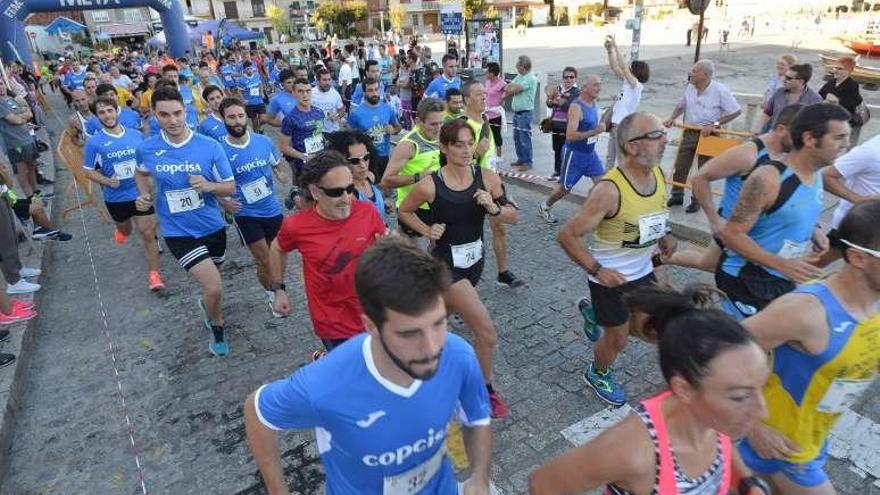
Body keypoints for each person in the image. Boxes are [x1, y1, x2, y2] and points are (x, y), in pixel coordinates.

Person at [245, 238, 493, 495]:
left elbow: (478, 418)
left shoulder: (458, 355)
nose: (432, 348)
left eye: (439, 323)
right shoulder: (325, 384)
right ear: (371, 326)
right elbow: (257, 412)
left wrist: (479, 477)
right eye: (409, 334)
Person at [530, 285, 772, 495]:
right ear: (684, 389)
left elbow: (720, 444)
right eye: (740, 397)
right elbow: (543, 484)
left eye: (761, 387)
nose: (762, 412)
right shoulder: (632, 450)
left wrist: (747, 484)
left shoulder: (712, 414)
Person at [737, 200, 880, 494]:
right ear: (857, 257)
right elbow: (714, 355)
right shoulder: (804, 311)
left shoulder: (874, 304)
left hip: (812, 439)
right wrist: (753, 427)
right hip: (778, 452)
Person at [398, 119, 519, 418]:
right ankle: (483, 389)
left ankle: (419, 364)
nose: (466, 151)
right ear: (444, 147)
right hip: (445, 267)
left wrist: (493, 208)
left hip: (474, 263)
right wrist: (427, 230)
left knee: (437, 323)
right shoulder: (430, 184)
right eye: (458, 145)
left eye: (469, 144)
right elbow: (404, 211)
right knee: (487, 332)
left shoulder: (487, 178)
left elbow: (513, 216)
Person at [557, 112, 677, 406]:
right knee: (619, 338)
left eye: (664, 133)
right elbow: (567, 236)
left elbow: (656, 212)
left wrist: (666, 234)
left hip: (643, 271)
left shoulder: (659, 175)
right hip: (610, 278)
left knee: (653, 328)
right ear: (632, 146)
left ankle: (595, 315)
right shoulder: (609, 191)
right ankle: (597, 372)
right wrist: (598, 270)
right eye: (656, 135)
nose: (665, 140)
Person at [717, 103, 852, 320]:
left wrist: (815, 230)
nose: (846, 144)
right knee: (747, 348)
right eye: (838, 138)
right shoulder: (768, 178)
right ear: (809, 139)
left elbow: (793, 208)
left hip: (781, 277)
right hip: (746, 279)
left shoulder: (816, 174)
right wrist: (781, 264)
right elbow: (731, 234)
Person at [134, 86, 236, 357]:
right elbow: (140, 173)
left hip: (212, 226)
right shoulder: (148, 148)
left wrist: (210, 186)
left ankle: (209, 307)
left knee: (214, 283)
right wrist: (144, 195)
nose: (173, 120)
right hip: (177, 231)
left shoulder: (209, 146)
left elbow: (230, 187)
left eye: (177, 113)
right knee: (213, 286)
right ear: (155, 116)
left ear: (186, 110)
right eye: (165, 115)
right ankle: (217, 324)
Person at [267, 150, 386, 356]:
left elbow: (383, 250)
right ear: (315, 192)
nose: (346, 198)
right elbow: (277, 248)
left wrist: (389, 249)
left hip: (374, 313)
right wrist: (278, 289)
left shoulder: (367, 212)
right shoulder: (297, 226)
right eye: (336, 192)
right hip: (334, 323)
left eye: (350, 189)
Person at [665, 104, 802, 273]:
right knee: (723, 268)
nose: (803, 142)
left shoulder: (790, 155)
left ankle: (663, 259)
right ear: (782, 129)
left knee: (709, 263)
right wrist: (714, 220)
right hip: (733, 230)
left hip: (760, 231)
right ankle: (664, 259)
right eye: (799, 135)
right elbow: (700, 178)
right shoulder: (747, 154)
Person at [82, 96, 164, 291]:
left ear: (116, 111)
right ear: (97, 116)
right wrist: (106, 181)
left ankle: (154, 275)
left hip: (140, 193)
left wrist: (151, 179)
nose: (107, 115)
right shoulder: (94, 142)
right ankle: (121, 231)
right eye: (102, 113)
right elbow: (87, 170)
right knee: (126, 230)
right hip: (116, 197)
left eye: (110, 111)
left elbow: (147, 161)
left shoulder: (136, 135)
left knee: (148, 233)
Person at [217, 97, 287, 316]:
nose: (237, 121)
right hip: (245, 212)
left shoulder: (263, 142)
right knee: (264, 258)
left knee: (277, 256)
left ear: (246, 116)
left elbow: (276, 164)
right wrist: (224, 203)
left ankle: (273, 286)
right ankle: (274, 293)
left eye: (240, 116)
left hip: (271, 208)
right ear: (223, 119)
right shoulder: (219, 150)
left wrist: (280, 173)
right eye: (231, 117)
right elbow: (213, 185)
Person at [461, 80, 525, 289]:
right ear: (466, 100)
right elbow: (453, 164)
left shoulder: (486, 120)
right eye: (478, 94)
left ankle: (503, 272)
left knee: (500, 226)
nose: (484, 97)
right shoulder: (461, 127)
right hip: (470, 186)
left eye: (484, 94)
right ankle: (463, 282)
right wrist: (476, 152)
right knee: (469, 235)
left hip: (491, 182)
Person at [664, 60, 742, 213]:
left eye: (694, 71)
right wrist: (672, 117)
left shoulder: (720, 90)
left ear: (705, 75)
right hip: (690, 131)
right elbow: (681, 105)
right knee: (680, 167)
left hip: (709, 135)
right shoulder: (690, 88)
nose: (691, 73)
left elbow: (736, 111)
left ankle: (697, 200)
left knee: (703, 171)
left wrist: (715, 123)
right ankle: (677, 195)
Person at [539, 75, 606, 224]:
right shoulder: (576, 107)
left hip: (590, 154)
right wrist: (595, 131)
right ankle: (545, 206)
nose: (599, 88)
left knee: (602, 184)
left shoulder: (594, 103)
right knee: (564, 189)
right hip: (574, 154)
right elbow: (570, 135)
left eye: (599, 85)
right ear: (585, 88)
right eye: (595, 85)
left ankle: (591, 212)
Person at [380, 97, 444, 237]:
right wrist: (418, 177)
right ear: (418, 121)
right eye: (433, 124)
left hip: (436, 205)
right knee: (412, 255)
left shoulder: (440, 138)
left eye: (441, 123)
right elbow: (386, 180)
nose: (438, 129)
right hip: (413, 209)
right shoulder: (408, 145)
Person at [819, 133, 880, 267]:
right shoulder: (871, 152)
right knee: (815, 264)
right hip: (856, 225)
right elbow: (826, 176)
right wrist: (860, 200)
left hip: (876, 226)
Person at [277, 78, 325, 210]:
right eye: (300, 91)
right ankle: (295, 195)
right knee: (307, 202)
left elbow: (319, 135)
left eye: (308, 91)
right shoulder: (290, 119)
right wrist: (303, 156)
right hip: (303, 165)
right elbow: (283, 147)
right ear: (294, 93)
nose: (305, 95)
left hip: (320, 160)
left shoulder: (319, 113)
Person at [604, 36, 650, 168]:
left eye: (631, 68)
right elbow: (614, 66)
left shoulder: (637, 86)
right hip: (614, 124)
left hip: (622, 126)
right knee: (610, 157)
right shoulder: (627, 82)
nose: (628, 69)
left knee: (621, 158)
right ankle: (607, 184)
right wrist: (609, 50)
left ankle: (622, 184)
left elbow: (623, 67)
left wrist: (616, 45)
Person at [348, 78, 401, 188]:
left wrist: (394, 129)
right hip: (367, 159)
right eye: (370, 90)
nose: (374, 93)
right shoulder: (356, 113)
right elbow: (349, 137)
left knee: (385, 187)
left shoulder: (387, 109)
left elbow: (398, 126)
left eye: (376, 89)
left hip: (384, 156)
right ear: (364, 93)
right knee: (370, 188)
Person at [326, 131, 386, 223]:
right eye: (354, 161)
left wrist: (381, 205)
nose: (363, 165)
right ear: (340, 161)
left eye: (366, 157)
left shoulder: (370, 177)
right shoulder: (346, 196)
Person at [758, 63, 822, 134]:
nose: (784, 80)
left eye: (788, 78)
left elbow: (816, 125)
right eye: (784, 76)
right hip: (773, 135)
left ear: (801, 82)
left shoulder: (815, 100)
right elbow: (767, 113)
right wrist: (758, 131)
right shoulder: (779, 92)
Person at [819, 56, 864, 145]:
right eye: (835, 67)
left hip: (843, 119)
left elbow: (852, 103)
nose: (836, 70)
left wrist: (836, 101)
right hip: (828, 115)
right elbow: (820, 94)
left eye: (840, 69)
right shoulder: (832, 82)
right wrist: (827, 96)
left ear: (849, 71)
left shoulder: (852, 85)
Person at [506, 55, 538, 171]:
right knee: (517, 138)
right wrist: (512, 87)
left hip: (525, 113)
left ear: (523, 67)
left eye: (517, 66)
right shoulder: (520, 76)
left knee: (524, 138)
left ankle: (528, 162)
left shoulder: (530, 78)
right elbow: (508, 87)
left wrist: (512, 88)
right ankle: (521, 158)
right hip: (517, 113)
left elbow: (515, 89)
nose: (516, 68)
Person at [546, 67, 579, 177]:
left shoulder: (576, 92)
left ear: (575, 78)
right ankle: (557, 171)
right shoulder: (558, 89)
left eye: (571, 77)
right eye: (566, 77)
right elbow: (549, 104)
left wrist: (559, 100)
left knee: (567, 150)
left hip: (567, 127)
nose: (568, 79)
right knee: (556, 149)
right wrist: (550, 99)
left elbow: (569, 107)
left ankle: (566, 172)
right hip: (556, 124)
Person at [310, 68, 344, 133]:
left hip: (333, 131)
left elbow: (342, 109)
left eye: (329, 79)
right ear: (318, 81)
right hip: (317, 132)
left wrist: (338, 116)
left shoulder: (335, 93)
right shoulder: (311, 93)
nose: (327, 83)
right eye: (324, 80)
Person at [484, 62, 506, 157]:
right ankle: (489, 153)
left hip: (496, 114)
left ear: (492, 73)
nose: (485, 73)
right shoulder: (487, 82)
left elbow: (506, 95)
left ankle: (499, 155)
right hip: (486, 112)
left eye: (487, 72)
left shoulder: (502, 83)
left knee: (496, 134)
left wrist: (502, 100)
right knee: (487, 134)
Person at [237, 61, 266, 134]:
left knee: (263, 119)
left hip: (259, 101)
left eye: (250, 68)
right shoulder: (241, 80)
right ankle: (256, 134)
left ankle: (260, 129)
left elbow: (260, 84)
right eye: (247, 69)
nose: (250, 70)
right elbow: (239, 91)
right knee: (254, 121)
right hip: (250, 103)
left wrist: (262, 92)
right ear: (244, 70)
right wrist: (243, 100)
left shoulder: (256, 75)